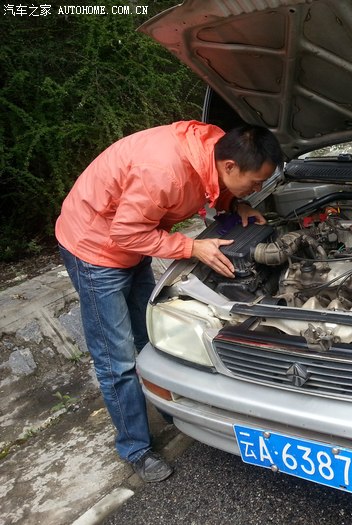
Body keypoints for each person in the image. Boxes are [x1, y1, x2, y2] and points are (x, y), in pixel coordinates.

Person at [55, 121, 284, 482]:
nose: (257, 190)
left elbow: (213, 188)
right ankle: (135, 448)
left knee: (149, 336)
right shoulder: (164, 172)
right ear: (230, 166)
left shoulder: (215, 147)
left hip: (133, 240)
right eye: (255, 184)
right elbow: (125, 232)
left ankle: (168, 407)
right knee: (116, 359)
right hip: (95, 250)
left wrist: (236, 204)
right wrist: (191, 247)